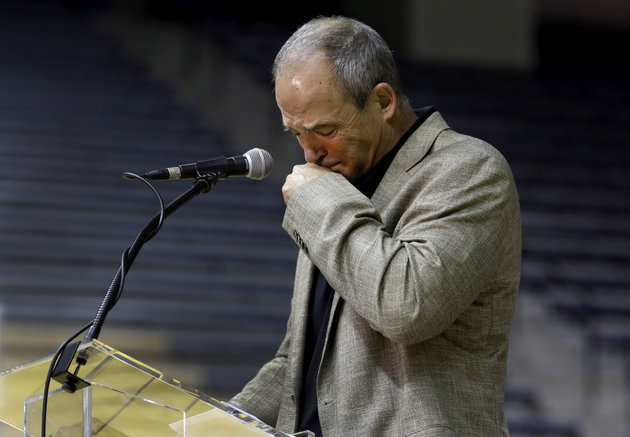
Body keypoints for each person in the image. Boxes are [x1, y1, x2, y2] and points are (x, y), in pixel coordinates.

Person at [229, 16, 521, 437]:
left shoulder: (469, 168)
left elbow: (407, 307)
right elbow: (296, 362)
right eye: (295, 134)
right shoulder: (337, 184)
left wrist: (319, 201)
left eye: (324, 130)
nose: (310, 153)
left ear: (382, 102)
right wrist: (214, 424)